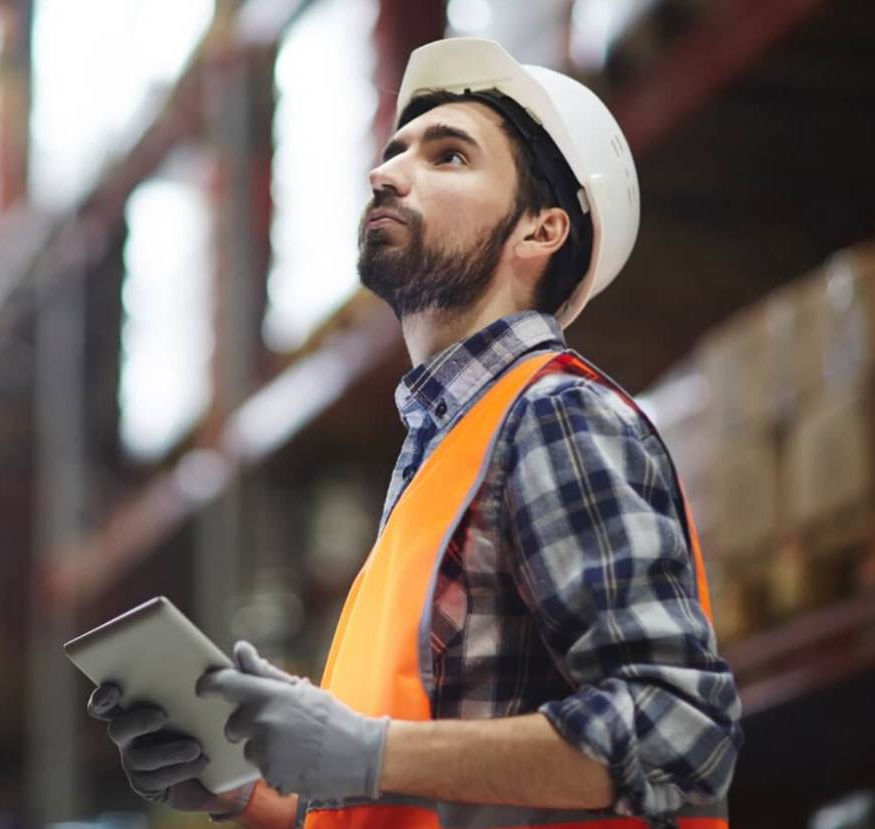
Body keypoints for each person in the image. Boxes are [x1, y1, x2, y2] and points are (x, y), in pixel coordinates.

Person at [87, 37, 741, 828]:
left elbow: (680, 732)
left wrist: (369, 750)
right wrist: (249, 790)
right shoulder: (438, 462)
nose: (385, 173)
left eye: (448, 156)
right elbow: (419, 801)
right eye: (395, 152)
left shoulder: (554, 417)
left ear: (539, 231)